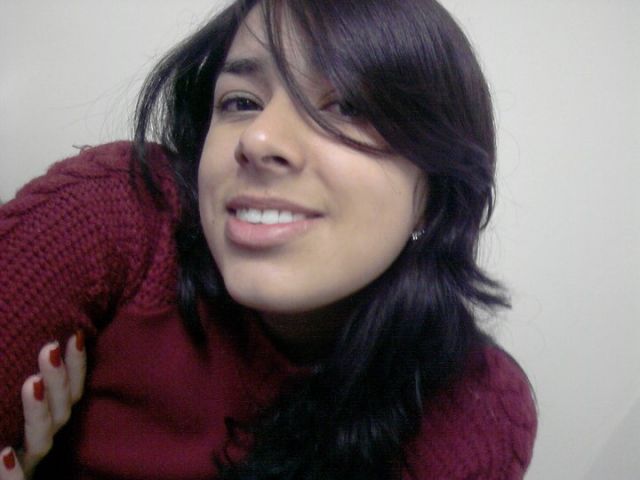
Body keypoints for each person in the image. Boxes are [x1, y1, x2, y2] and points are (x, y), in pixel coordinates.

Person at [0, 0, 537, 478]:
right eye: (240, 102)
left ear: (435, 192)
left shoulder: (476, 409)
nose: (258, 139)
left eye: (347, 106)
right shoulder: (118, 211)